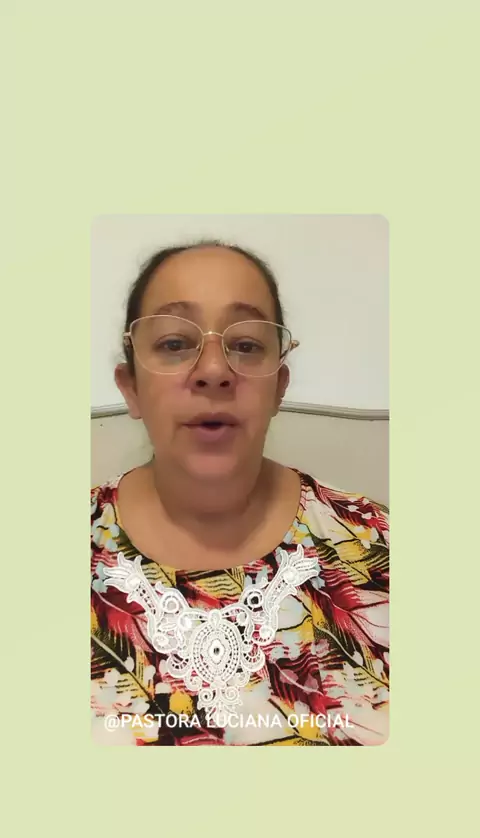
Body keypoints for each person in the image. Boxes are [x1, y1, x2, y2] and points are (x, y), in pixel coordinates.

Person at [91, 240, 389, 746]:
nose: (213, 371)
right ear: (131, 387)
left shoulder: (381, 548)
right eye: (175, 343)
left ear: (279, 387)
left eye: (247, 345)